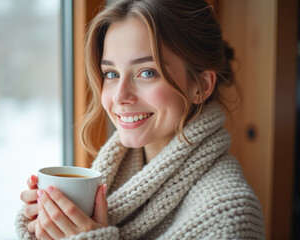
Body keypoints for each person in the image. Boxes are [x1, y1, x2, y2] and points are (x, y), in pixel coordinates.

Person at [15, 0, 264, 239]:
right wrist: (49, 228)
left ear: (201, 85)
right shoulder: (110, 182)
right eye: (111, 73)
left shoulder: (229, 213)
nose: (120, 96)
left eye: (147, 72)